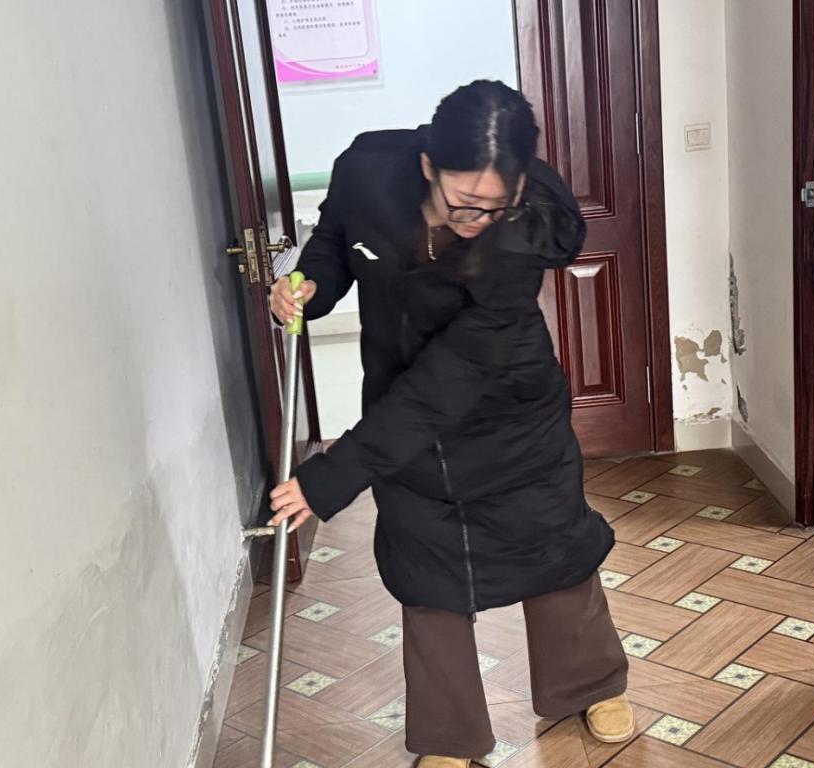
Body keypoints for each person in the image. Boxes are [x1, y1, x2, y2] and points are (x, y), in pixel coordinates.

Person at [266, 80, 633, 767]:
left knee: (555, 549)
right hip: (402, 413)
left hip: (508, 414)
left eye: (496, 205)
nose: (477, 219)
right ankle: (448, 737)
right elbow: (338, 238)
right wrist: (310, 287)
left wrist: (335, 474)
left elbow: (449, 378)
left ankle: (590, 684)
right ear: (428, 165)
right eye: (464, 202)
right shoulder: (368, 170)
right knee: (425, 572)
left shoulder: (521, 235)